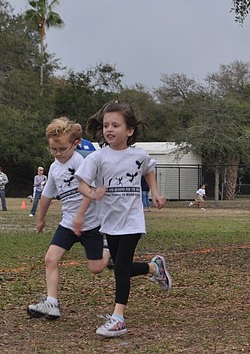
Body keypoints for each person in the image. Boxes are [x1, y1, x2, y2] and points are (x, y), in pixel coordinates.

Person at [73, 100, 171, 338]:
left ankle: (118, 318)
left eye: (115, 125)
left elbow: (149, 169)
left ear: (129, 130)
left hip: (132, 221)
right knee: (119, 267)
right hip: (109, 221)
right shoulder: (98, 158)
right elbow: (82, 183)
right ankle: (154, 267)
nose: (109, 129)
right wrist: (92, 193)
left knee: (121, 269)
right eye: (106, 125)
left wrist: (155, 193)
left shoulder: (138, 155)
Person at [26, 117, 112, 321]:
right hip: (68, 223)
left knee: (96, 268)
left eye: (62, 149)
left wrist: (81, 216)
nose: (57, 154)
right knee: (50, 258)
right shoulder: (54, 167)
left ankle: (108, 249)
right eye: (53, 149)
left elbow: (89, 192)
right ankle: (52, 303)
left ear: (74, 144)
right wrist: (41, 219)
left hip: (90, 224)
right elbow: (47, 195)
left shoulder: (82, 162)